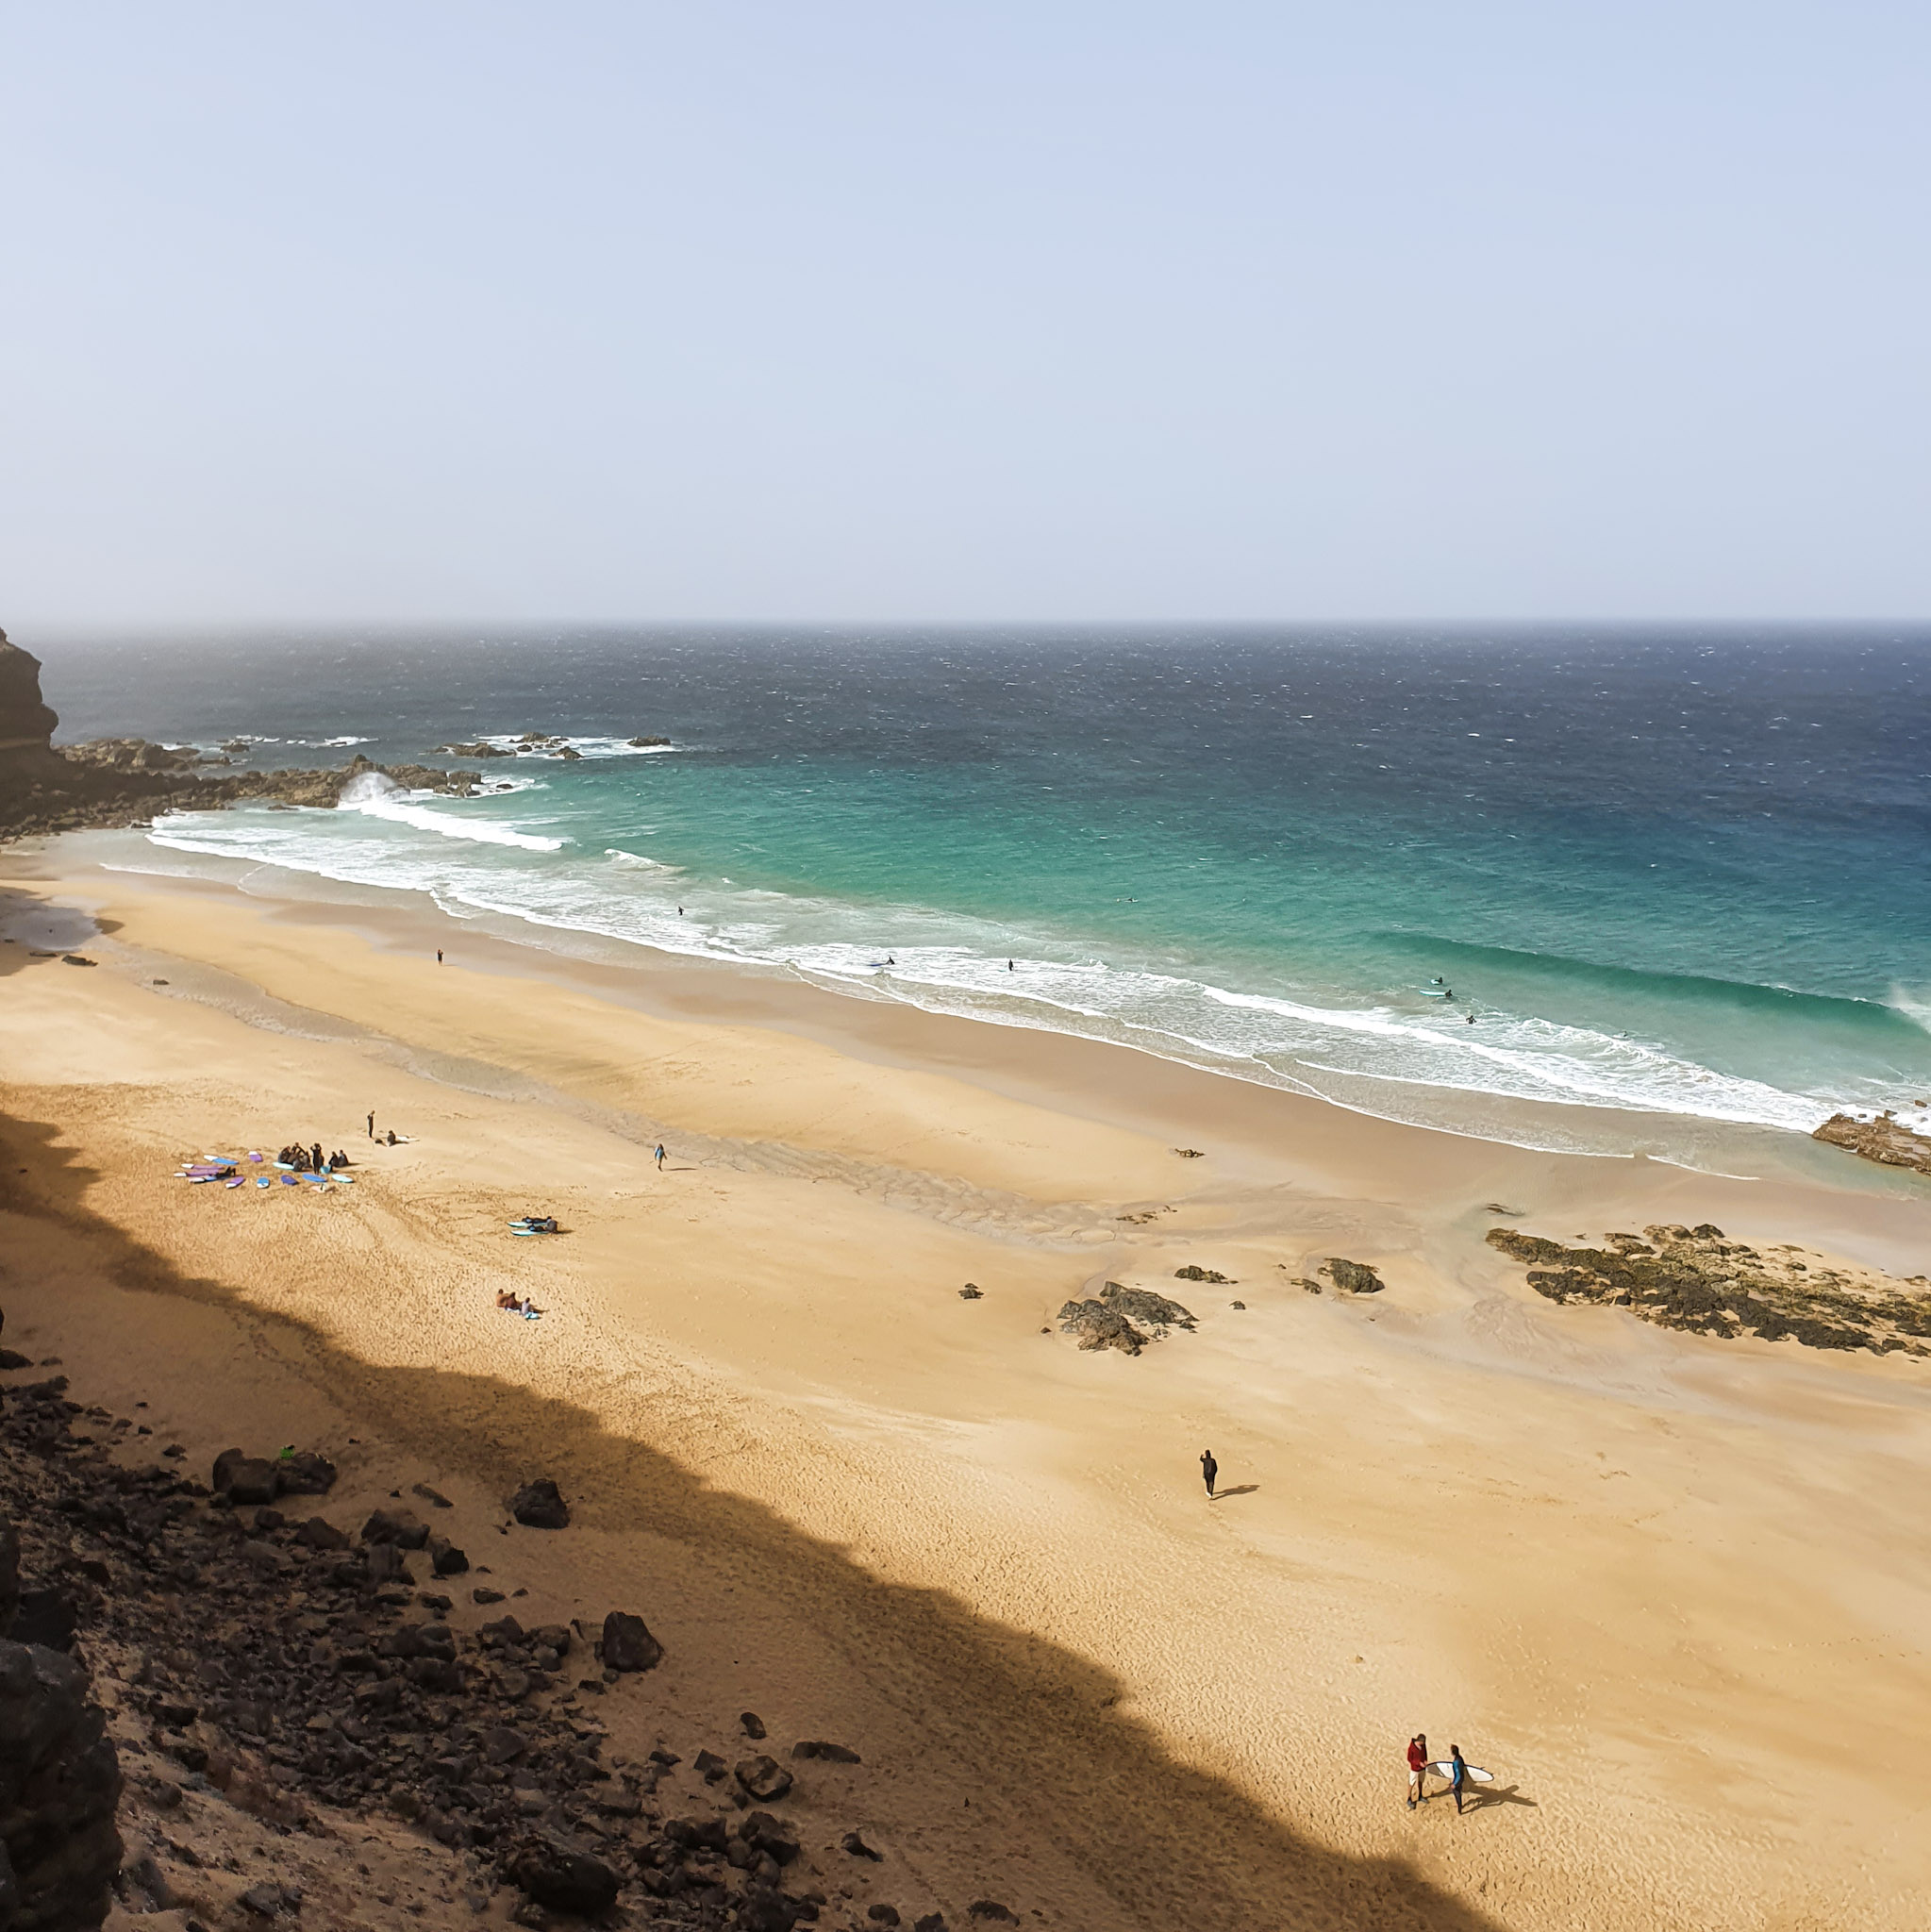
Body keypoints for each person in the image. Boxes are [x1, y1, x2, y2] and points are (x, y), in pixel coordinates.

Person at [1407, 1734, 1429, 1808]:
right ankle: (1409, 1799)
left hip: (1422, 1768)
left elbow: (1425, 1753)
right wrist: (1418, 1763)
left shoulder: (1423, 1746)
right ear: (1420, 1741)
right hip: (1415, 1769)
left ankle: (1420, 1796)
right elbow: (1409, 1759)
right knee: (1411, 1783)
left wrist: (1425, 1760)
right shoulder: (1412, 1748)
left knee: (1420, 1781)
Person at [1448, 1744, 1469, 1814]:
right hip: (1461, 1777)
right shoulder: (1460, 1757)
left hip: (1459, 1778)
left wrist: (1455, 1784)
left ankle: (1459, 1810)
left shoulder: (1456, 1762)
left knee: (1456, 1792)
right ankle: (1459, 1805)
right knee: (1458, 1792)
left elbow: (1458, 1775)